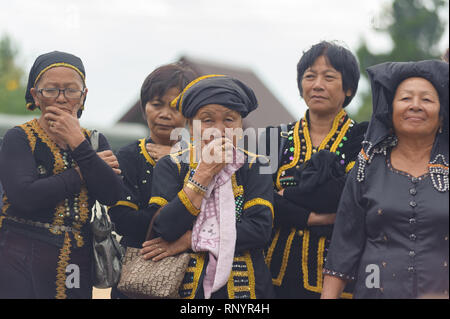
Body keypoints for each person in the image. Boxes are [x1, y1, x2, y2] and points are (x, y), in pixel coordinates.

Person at [321, 60, 449, 299]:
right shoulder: (366, 166)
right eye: (406, 99)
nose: (415, 106)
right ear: (390, 112)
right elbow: (343, 247)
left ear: (442, 117)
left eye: (427, 100)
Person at [0, 51, 122, 299]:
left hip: (76, 256)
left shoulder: (95, 141)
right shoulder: (19, 138)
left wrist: (79, 144)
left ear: (84, 95)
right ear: (35, 95)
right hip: (20, 253)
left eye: (71, 90)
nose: (61, 98)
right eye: (51, 90)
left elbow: (113, 194)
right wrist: (84, 171)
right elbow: (25, 196)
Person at [143, 75, 275, 299]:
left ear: (241, 125)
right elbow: (164, 228)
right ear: (190, 126)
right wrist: (203, 174)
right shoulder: (172, 165)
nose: (219, 130)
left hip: (247, 292)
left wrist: (190, 240)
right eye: (207, 120)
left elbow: (259, 230)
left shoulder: (255, 165)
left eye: (230, 120)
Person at [261, 41, 368, 299]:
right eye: (309, 76)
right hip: (271, 276)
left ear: (349, 88)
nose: (317, 85)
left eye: (329, 77)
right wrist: (315, 218)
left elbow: (349, 198)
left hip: (338, 277)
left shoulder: (363, 139)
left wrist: (287, 195)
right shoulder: (274, 138)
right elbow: (260, 201)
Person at [108, 63, 196, 298]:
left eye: (175, 107)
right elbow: (124, 221)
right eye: (156, 104)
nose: (164, 114)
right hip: (136, 277)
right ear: (145, 106)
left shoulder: (203, 161)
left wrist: (177, 162)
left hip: (192, 278)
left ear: (190, 112)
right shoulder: (127, 157)